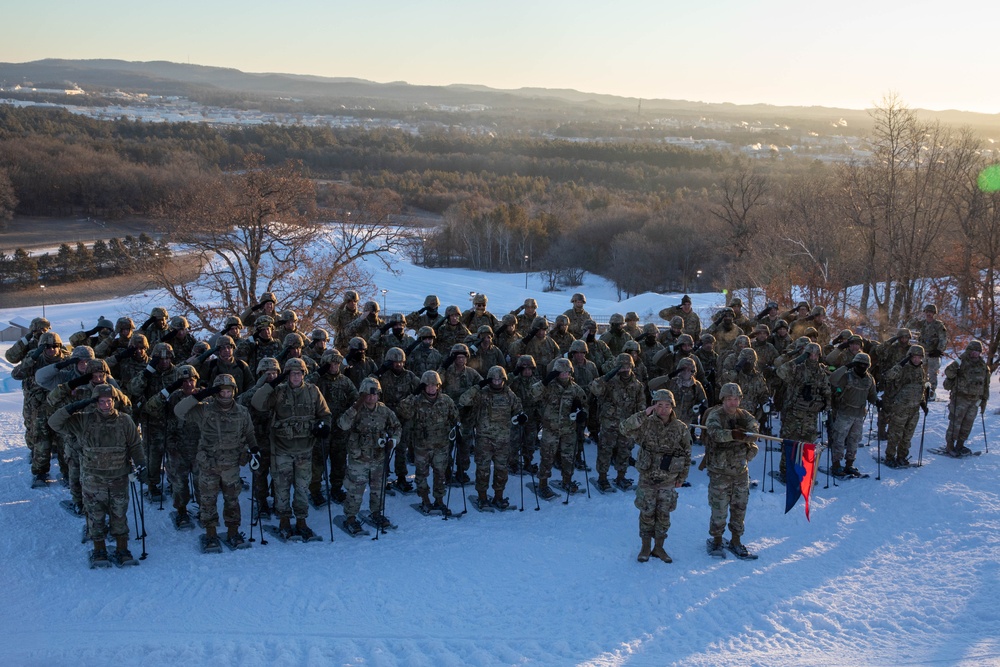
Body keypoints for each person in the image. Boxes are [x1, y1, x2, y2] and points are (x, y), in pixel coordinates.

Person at [49, 384, 146, 567]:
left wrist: (141, 465)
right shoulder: (83, 420)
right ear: (95, 403)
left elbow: (135, 445)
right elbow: (54, 422)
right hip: (93, 480)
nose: (105, 405)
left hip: (119, 478)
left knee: (119, 515)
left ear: (114, 401)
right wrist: (76, 405)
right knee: (95, 515)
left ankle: (122, 548)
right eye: (101, 402)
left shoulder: (125, 421)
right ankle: (99, 549)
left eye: (109, 401)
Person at [251, 357, 332, 540]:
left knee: (303, 487)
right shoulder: (278, 392)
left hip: (304, 449)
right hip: (282, 449)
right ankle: (284, 520)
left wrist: (323, 427)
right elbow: (257, 403)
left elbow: (325, 414)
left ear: (304, 374)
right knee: (282, 487)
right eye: (292, 373)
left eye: (299, 373)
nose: (296, 377)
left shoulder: (313, 391)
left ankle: (302, 520)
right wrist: (272, 384)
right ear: (287, 375)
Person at [175, 374, 257, 549]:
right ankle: (210, 533)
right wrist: (201, 395)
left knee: (232, 500)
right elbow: (179, 410)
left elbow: (249, 433)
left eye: (229, 391)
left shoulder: (242, 412)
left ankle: (233, 531)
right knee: (207, 500)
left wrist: (255, 449)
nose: (225, 395)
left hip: (232, 464)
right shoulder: (204, 410)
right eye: (221, 391)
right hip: (209, 464)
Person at [619, 389, 692, 563]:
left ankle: (659, 547)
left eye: (667, 405)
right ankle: (645, 546)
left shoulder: (680, 428)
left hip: (668, 479)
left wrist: (681, 478)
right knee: (646, 512)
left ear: (672, 407)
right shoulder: (645, 424)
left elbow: (687, 454)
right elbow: (624, 428)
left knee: (664, 514)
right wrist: (644, 414)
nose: (663, 409)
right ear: (654, 406)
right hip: (648, 477)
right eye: (659, 405)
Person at [336, 377, 402, 534]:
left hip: (378, 457)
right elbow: (342, 424)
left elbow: (397, 426)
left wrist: (393, 440)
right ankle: (350, 517)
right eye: (368, 394)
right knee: (355, 490)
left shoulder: (384, 411)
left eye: (375, 394)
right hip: (359, 458)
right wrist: (356, 405)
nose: (372, 397)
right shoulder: (355, 410)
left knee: (378, 489)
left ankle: (376, 513)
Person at [702, 383, 759, 559]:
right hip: (720, 472)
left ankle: (736, 540)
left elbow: (755, 430)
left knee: (739, 507)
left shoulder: (744, 416)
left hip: (740, 472)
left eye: (736, 399)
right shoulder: (715, 415)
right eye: (729, 399)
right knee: (719, 508)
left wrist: (748, 436)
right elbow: (715, 434)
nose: (733, 403)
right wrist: (734, 435)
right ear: (723, 399)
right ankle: (717, 540)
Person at [459, 366, 523, 509]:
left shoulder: (508, 394)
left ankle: (498, 497)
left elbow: (518, 408)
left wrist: (521, 416)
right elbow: (464, 400)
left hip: (503, 439)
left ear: (504, 379)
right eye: (493, 379)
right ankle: (482, 497)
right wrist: (478, 386)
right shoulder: (482, 394)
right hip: (484, 438)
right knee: (483, 469)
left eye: (499, 379)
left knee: (501, 469)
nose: (496, 382)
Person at [398, 370, 460, 514]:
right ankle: (425, 499)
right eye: (428, 385)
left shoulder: (446, 401)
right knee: (421, 474)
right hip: (422, 445)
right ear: (423, 386)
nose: (432, 388)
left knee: (440, 474)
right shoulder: (417, 401)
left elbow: (455, 418)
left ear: (438, 386)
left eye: (434, 385)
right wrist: (414, 394)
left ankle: (439, 500)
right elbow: (403, 410)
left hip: (441, 445)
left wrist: (457, 431)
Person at [147, 364, 200, 528]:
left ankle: (205, 510)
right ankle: (182, 511)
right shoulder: (171, 398)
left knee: (203, 483)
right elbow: (151, 408)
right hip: (177, 447)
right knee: (179, 483)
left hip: (200, 448)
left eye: (191, 380)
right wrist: (167, 391)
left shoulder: (204, 395)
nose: (189, 384)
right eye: (183, 381)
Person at [530, 357, 588, 499]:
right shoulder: (548, 386)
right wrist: (545, 381)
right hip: (551, 429)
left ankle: (566, 480)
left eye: (567, 372)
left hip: (569, 429)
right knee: (547, 457)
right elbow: (533, 393)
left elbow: (585, 403)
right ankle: (543, 484)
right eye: (560, 372)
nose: (564, 374)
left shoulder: (575, 389)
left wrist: (581, 412)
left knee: (568, 457)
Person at [306, 349, 357, 504]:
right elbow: (304, 385)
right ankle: (315, 490)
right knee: (318, 461)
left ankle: (336, 487)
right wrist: (318, 373)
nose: (334, 367)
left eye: (337, 363)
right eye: (331, 363)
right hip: (322, 428)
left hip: (340, 429)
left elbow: (355, 398)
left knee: (339, 461)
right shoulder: (318, 380)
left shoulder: (345, 381)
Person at [589, 354, 646, 492]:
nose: (625, 369)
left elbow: (641, 406)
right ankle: (602, 478)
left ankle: (621, 477)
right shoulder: (609, 382)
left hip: (627, 426)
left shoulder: (637, 385)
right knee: (605, 451)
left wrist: (639, 424)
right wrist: (608, 375)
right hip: (609, 424)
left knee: (624, 452)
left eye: (628, 366)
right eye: (622, 366)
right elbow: (594, 388)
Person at [827, 353, 878, 476]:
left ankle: (850, 463)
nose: (861, 367)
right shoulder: (846, 376)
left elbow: (872, 395)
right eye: (858, 364)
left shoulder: (869, 379)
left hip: (859, 414)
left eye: (864, 365)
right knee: (839, 439)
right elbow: (832, 379)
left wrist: (878, 402)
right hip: (845, 412)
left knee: (854, 440)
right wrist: (846, 366)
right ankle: (836, 464)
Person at [440, 343, 482, 483]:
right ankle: (446, 471)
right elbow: (435, 382)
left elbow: (482, 386)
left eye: (463, 357)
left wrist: (472, 398)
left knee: (464, 446)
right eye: (457, 357)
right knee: (447, 445)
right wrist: (443, 367)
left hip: (467, 416)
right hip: (449, 415)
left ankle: (461, 471)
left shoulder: (471, 373)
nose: (461, 360)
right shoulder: (447, 371)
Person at [881, 345, 928, 467]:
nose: (916, 360)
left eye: (919, 357)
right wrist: (901, 364)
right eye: (914, 357)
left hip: (914, 409)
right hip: (900, 408)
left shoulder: (921, 370)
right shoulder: (902, 368)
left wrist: (923, 402)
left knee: (907, 436)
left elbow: (920, 388)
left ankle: (902, 456)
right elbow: (888, 376)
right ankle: (890, 456)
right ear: (909, 357)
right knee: (895, 434)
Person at [942, 340, 990, 457]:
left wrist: (984, 401)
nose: (975, 353)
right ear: (968, 351)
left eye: (977, 351)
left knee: (968, 424)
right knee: (955, 423)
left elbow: (985, 385)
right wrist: (960, 359)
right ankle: (950, 446)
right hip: (960, 398)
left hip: (975, 400)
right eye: (973, 351)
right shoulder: (961, 362)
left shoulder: (983, 366)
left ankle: (960, 445)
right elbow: (949, 372)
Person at [908, 304, 948, 397]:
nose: (928, 314)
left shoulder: (938, 325)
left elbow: (943, 338)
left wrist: (939, 350)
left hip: (933, 354)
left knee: (932, 374)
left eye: (931, 312)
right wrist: (914, 318)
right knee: (920, 372)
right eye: (927, 312)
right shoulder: (922, 324)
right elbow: (908, 326)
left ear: (934, 313)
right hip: (921, 353)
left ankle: (931, 392)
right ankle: (921, 391)